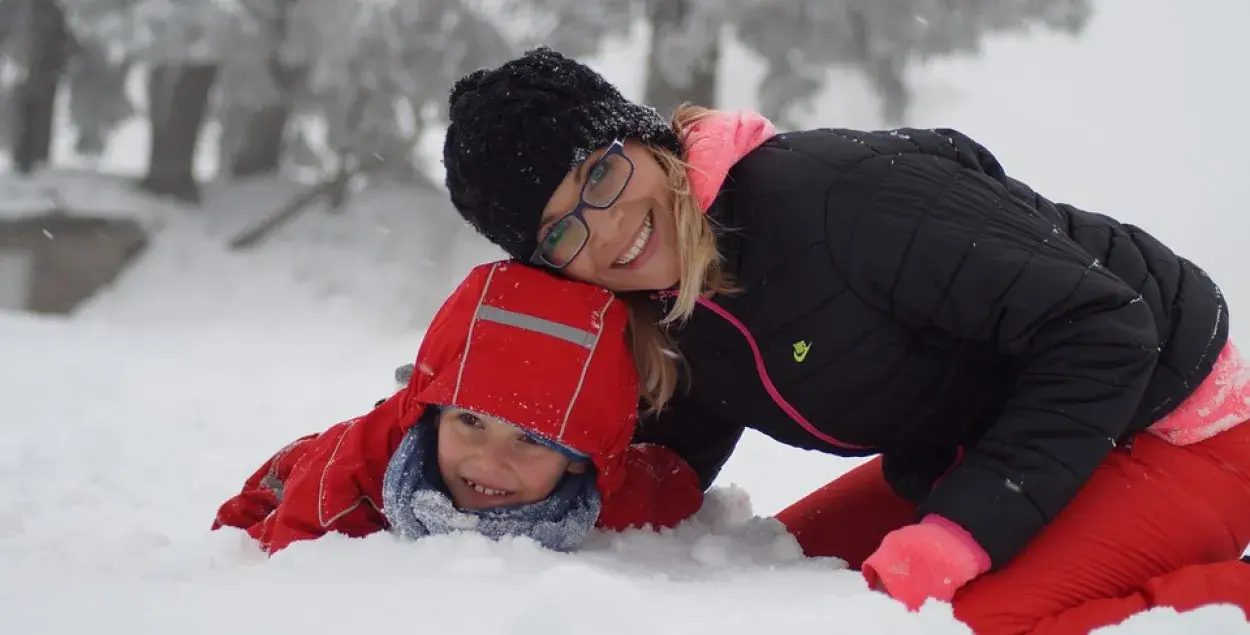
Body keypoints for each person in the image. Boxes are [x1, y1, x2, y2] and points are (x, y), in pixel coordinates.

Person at [439, 47, 1250, 633]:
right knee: (775, 582)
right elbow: (673, 454)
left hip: (1174, 423)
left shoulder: (836, 201)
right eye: (560, 232)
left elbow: (1104, 329)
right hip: (995, 446)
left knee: (963, 629)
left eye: (600, 175)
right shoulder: (665, 303)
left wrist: (962, 531)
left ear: (644, 140)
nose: (607, 227)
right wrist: (533, 501)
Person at [211, 260, 702, 554]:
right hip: (298, 473)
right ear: (434, 414)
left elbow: (672, 486)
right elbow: (276, 570)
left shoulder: (601, 493)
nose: (489, 461)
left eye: (530, 439)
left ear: (579, 458)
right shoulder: (347, 480)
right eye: (471, 422)